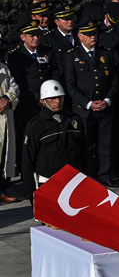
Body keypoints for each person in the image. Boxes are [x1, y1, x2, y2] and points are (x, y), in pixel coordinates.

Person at [63, 23, 117, 184]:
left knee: (105, 144)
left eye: (94, 34)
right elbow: (70, 85)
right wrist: (88, 103)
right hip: (84, 109)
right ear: (80, 36)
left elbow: (114, 80)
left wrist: (107, 100)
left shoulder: (105, 53)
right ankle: (88, 177)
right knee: (86, 145)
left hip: (104, 107)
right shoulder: (72, 56)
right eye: (88, 34)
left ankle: (104, 175)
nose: (93, 37)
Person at [20, 80, 84, 200]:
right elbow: (27, 160)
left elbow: (84, 152)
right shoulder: (35, 125)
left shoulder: (74, 120)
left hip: (75, 182)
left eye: (60, 97)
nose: (57, 101)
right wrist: (31, 193)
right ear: (42, 101)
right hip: (49, 183)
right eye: (52, 98)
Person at [0, 60, 19, 203]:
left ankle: (1, 190)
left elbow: (14, 87)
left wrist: (6, 99)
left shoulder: (3, 67)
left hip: (5, 118)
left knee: (3, 156)